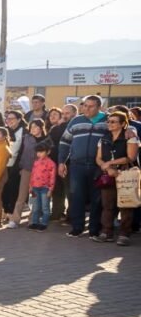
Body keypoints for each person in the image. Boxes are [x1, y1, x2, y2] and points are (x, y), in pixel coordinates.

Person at [59, 95, 108, 238]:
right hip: (77, 166)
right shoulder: (76, 120)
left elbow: (124, 127)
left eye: (90, 106)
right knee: (76, 197)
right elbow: (64, 142)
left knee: (97, 199)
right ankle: (77, 227)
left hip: (98, 166)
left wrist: (131, 130)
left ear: (99, 107)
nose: (86, 109)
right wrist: (61, 162)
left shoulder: (107, 120)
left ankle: (94, 229)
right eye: (84, 105)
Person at [94, 111, 138, 245]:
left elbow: (131, 157)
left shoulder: (130, 137)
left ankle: (124, 234)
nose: (109, 124)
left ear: (123, 124)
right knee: (107, 205)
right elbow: (98, 158)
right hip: (108, 175)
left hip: (125, 174)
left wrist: (110, 164)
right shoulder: (104, 138)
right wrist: (107, 168)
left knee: (126, 205)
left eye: (113, 122)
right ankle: (106, 232)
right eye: (108, 121)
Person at [8, 118, 46, 228]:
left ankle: (32, 219)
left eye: (35, 127)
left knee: (35, 196)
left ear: (41, 128)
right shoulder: (26, 138)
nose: (33, 129)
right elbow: (20, 153)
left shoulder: (46, 140)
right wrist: (19, 167)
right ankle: (15, 220)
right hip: (26, 169)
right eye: (31, 127)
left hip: (40, 172)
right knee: (21, 195)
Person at [1, 111, 27, 227]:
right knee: (4, 189)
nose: (9, 120)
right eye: (8, 118)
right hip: (4, 164)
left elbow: (26, 149)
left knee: (14, 190)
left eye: (12, 118)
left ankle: (12, 213)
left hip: (18, 165)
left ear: (19, 119)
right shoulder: (5, 130)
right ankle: (6, 211)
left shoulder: (25, 131)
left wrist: (21, 165)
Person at [27, 140, 56, 232]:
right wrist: (31, 186)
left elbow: (52, 177)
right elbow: (33, 174)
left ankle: (44, 223)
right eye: (37, 152)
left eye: (41, 151)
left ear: (48, 152)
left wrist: (50, 190)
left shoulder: (51, 164)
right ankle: (35, 222)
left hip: (45, 188)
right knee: (35, 207)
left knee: (45, 207)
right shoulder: (36, 162)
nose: (39, 154)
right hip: (35, 188)